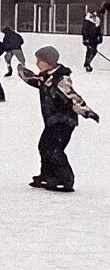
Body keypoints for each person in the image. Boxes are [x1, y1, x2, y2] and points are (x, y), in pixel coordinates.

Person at [17, 45, 100, 192]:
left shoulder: (60, 79)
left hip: (64, 121)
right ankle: (47, 176)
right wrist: (22, 72)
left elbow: (73, 97)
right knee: (44, 146)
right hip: (52, 121)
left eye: (39, 61)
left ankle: (65, 180)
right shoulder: (46, 77)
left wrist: (88, 112)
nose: (36, 63)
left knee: (54, 149)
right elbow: (35, 81)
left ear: (48, 62)